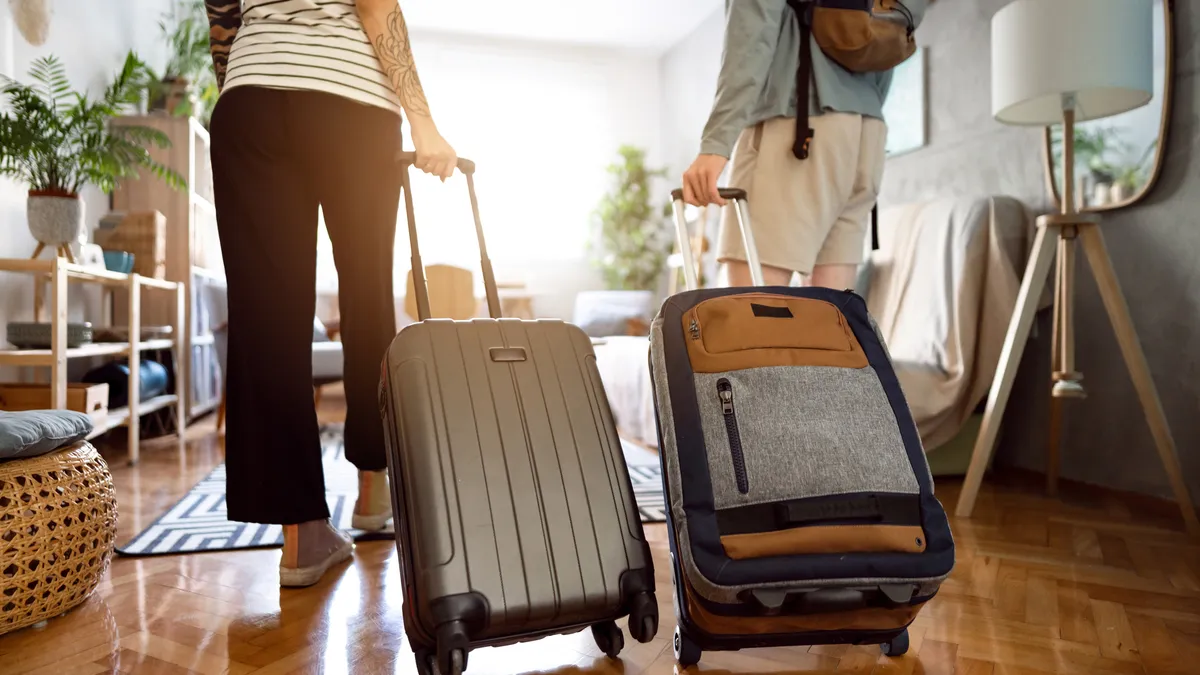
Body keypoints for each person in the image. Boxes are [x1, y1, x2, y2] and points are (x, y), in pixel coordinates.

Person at [203, 0, 456, 588]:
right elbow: (374, 5)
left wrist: (253, 86)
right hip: (351, 103)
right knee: (368, 296)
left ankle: (302, 536)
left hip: (249, 99)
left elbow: (222, 21)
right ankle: (374, 488)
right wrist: (423, 121)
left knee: (266, 317)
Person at [681, 0, 927, 290]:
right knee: (830, 319)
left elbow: (752, 33)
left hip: (797, 128)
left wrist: (716, 143)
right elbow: (891, 31)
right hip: (866, 136)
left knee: (751, 317)